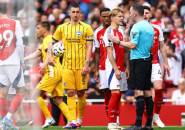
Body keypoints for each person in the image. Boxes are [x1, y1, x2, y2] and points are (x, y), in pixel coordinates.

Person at [109, 4, 154, 130]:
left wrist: (117, 41)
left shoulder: (137, 27)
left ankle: (138, 124)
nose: (129, 14)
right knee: (147, 91)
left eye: (130, 12)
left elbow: (133, 45)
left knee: (139, 91)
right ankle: (149, 124)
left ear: (134, 13)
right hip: (147, 59)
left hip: (138, 60)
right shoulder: (149, 26)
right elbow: (150, 44)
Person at [24, 21, 76, 128]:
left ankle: (48, 118)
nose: (36, 31)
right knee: (58, 100)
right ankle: (71, 121)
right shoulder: (46, 41)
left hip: (52, 71)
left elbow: (49, 56)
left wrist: (44, 64)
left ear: (44, 29)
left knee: (35, 94)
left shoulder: (49, 40)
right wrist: (24, 59)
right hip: (58, 71)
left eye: (38, 28)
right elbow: (37, 53)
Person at [52, 2, 93, 128]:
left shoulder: (86, 27)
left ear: (80, 13)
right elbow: (52, 42)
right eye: (73, 12)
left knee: (81, 93)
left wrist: (87, 64)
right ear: (69, 13)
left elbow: (89, 47)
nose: (75, 14)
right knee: (70, 92)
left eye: (77, 12)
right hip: (67, 66)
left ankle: (79, 118)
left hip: (81, 66)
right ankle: (71, 120)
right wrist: (49, 57)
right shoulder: (62, 28)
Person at [143, 6, 170, 128]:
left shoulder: (157, 28)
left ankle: (156, 116)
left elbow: (162, 47)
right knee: (145, 95)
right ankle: (149, 119)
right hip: (141, 64)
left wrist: (166, 62)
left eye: (147, 13)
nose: (145, 15)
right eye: (143, 13)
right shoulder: (137, 29)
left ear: (151, 14)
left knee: (158, 88)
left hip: (154, 62)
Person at [0, 6, 25, 130]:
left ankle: (4, 124)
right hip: (13, 61)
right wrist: (21, 60)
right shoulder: (15, 23)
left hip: (1, 63)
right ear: (7, 11)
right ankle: (8, 118)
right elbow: (19, 44)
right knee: (21, 91)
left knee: (2, 94)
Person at [103, 8, 128, 130]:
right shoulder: (108, 32)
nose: (122, 18)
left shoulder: (121, 31)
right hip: (113, 67)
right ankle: (111, 122)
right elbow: (109, 53)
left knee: (119, 95)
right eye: (119, 16)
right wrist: (116, 69)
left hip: (122, 66)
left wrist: (125, 66)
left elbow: (124, 50)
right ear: (112, 18)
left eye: (122, 16)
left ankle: (116, 122)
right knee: (115, 92)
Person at [94, 7, 111, 117]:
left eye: (108, 16)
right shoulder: (97, 32)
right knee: (106, 91)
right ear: (100, 18)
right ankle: (109, 115)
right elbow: (96, 51)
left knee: (116, 92)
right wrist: (95, 69)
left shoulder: (117, 30)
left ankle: (115, 116)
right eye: (104, 16)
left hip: (116, 66)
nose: (106, 19)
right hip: (103, 66)